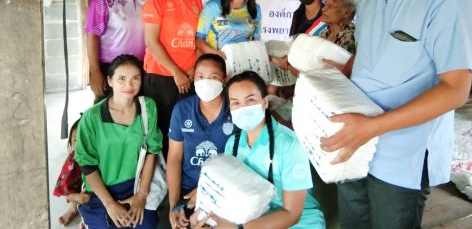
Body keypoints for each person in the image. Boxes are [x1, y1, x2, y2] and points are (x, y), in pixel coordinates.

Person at [320, 0, 472, 229]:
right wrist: (342, 70)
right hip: (355, 138)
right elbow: (371, 51)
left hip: (402, 150)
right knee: (353, 223)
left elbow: (456, 89)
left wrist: (374, 127)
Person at [191, 71, 325, 229]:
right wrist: (205, 218)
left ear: (265, 102)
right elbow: (227, 194)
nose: (243, 108)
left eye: (250, 100)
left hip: (298, 224)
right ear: (230, 108)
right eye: (236, 103)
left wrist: (238, 228)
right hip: (250, 219)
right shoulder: (232, 144)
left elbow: (292, 214)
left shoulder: (289, 145)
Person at [76, 55, 163, 229]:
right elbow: (87, 164)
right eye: (121, 78)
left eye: (135, 78)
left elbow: (152, 151)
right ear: (110, 81)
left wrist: (142, 195)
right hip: (101, 191)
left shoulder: (148, 107)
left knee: (146, 225)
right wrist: (110, 204)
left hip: (136, 184)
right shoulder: (92, 117)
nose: (129, 85)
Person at [142, 0, 203, 157]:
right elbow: (151, 41)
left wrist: (194, 69)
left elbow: (198, 40)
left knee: (185, 130)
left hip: (189, 76)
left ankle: (181, 172)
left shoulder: (196, 1)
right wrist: (176, 72)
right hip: (162, 76)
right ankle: (161, 174)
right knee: (161, 130)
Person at [167, 54, 234, 229]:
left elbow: (240, 161)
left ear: (224, 80)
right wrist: (174, 205)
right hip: (187, 192)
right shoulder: (182, 109)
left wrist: (207, 189)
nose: (206, 82)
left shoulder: (234, 110)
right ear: (194, 79)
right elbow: (174, 158)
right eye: (201, 76)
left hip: (224, 188)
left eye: (214, 77)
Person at [86, 0, 150, 101]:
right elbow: (93, 35)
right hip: (111, 68)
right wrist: (95, 71)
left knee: (138, 110)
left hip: (142, 68)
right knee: (108, 110)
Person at [53, 117, 89, 228]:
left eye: (86, 139)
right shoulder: (71, 163)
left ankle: (88, 217)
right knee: (74, 193)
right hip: (77, 187)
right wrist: (76, 197)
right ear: (70, 142)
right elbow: (66, 190)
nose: (80, 144)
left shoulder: (101, 155)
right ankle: (73, 210)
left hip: (92, 189)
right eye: (75, 140)